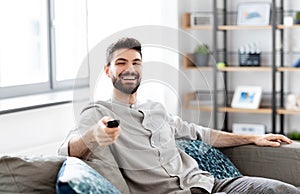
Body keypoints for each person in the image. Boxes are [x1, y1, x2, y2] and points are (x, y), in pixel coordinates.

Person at [58, 37, 299, 194]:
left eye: (136, 62)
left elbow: (201, 133)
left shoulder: (156, 108)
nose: (130, 68)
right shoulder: (98, 112)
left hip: (210, 184)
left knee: (282, 191)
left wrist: (252, 139)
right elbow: (65, 151)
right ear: (107, 70)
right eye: (121, 62)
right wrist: (94, 136)